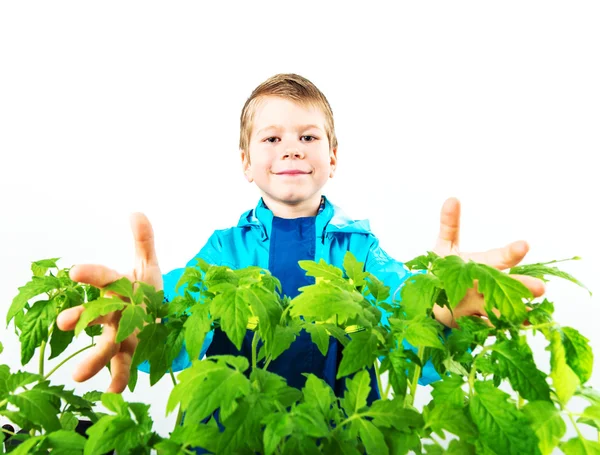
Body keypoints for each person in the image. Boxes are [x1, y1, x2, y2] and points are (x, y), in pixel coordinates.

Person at [56, 73, 545, 400]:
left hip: (340, 433)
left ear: (334, 157)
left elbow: (403, 318)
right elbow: (181, 320)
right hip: (231, 435)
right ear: (246, 162)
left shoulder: (359, 251)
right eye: (272, 138)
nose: (291, 146)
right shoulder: (225, 250)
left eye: (309, 137)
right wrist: (147, 325)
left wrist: (440, 304)